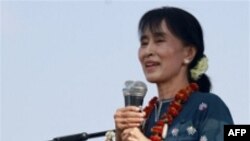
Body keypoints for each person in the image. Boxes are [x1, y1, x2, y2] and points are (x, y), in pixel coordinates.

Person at [113, 6, 234, 141]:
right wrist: (120, 136)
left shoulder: (211, 106)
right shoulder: (145, 118)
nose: (148, 51)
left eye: (159, 41)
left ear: (188, 53)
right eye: (144, 43)